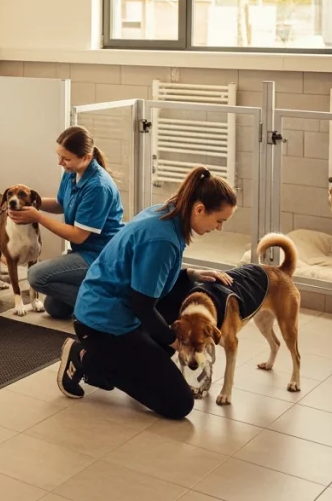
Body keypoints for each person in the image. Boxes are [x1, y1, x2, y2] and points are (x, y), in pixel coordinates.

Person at [54, 166, 237, 420]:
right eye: (219, 221)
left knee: (188, 290)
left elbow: (146, 273)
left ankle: (123, 363)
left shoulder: (166, 214)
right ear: (199, 210)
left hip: (116, 309)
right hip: (102, 325)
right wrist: (177, 342)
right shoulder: (163, 239)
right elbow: (142, 305)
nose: (219, 228)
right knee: (179, 404)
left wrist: (189, 274)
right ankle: (88, 358)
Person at [7, 126, 124, 319]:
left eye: (66, 158)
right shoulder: (72, 173)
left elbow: (78, 235)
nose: (60, 162)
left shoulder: (98, 187)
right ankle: (94, 291)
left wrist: (37, 216)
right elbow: (61, 204)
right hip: (83, 251)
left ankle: (111, 308)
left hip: (100, 255)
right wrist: (26, 202)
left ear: (86, 157)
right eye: (59, 156)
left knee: (36, 276)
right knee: (55, 307)